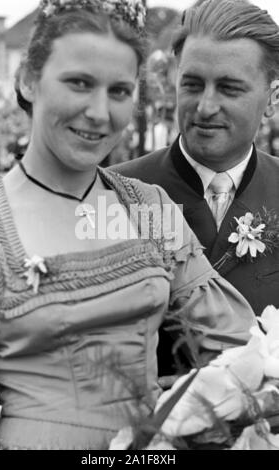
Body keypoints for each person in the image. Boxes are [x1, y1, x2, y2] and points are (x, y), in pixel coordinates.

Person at [0, 0, 256, 450]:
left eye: (120, 92)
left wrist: (197, 420)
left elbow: (237, 345)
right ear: (28, 80)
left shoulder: (149, 209)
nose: (99, 113)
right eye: (79, 84)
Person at [112, 0, 279, 374]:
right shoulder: (113, 197)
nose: (204, 107)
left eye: (229, 89)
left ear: (273, 98)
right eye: (192, 84)